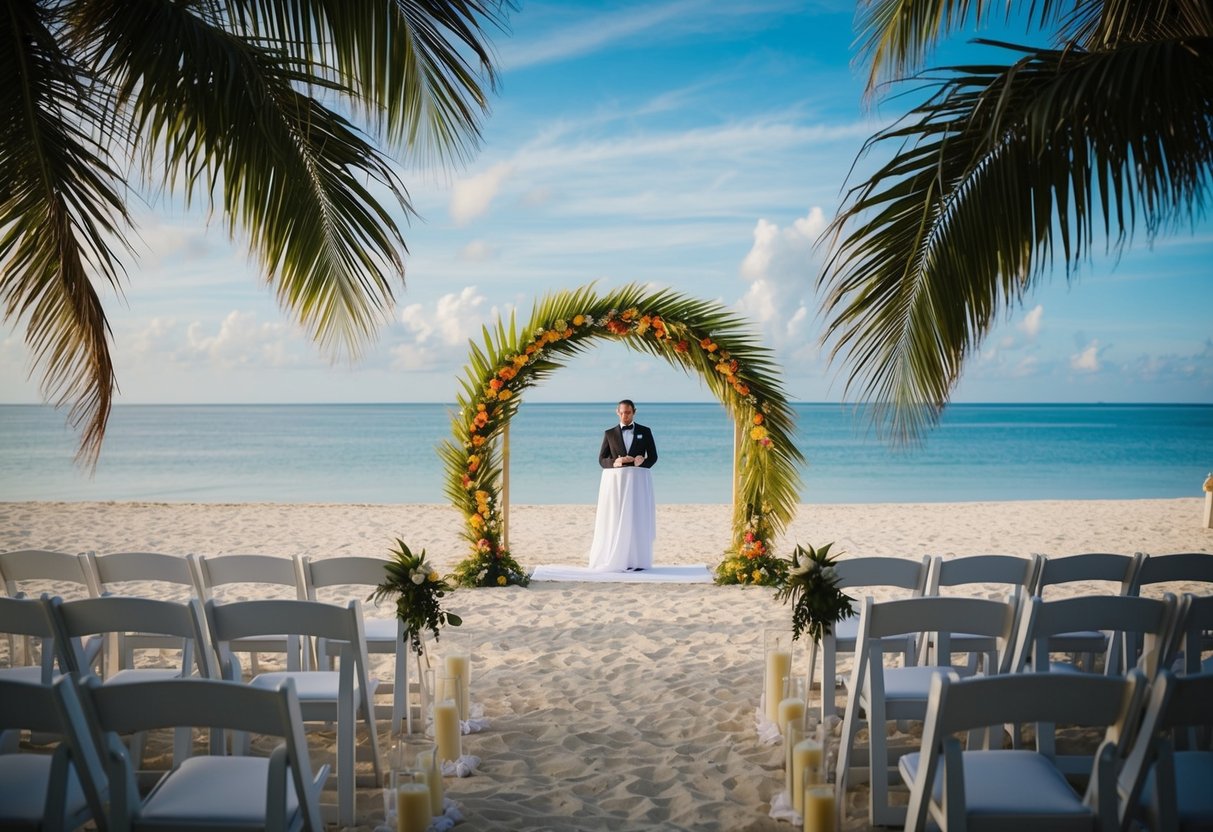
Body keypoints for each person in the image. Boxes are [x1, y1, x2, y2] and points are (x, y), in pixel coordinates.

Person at [588, 399, 658, 572]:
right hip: (616, 485)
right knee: (616, 517)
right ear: (617, 412)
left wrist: (643, 462)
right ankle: (616, 557)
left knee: (636, 517)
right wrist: (616, 461)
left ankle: (637, 560)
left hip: (638, 484)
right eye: (622, 412)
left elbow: (654, 457)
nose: (625, 416)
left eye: (628, 412)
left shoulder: (645, 431)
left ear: (634, 412)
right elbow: (601, 460)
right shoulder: (609, 433)